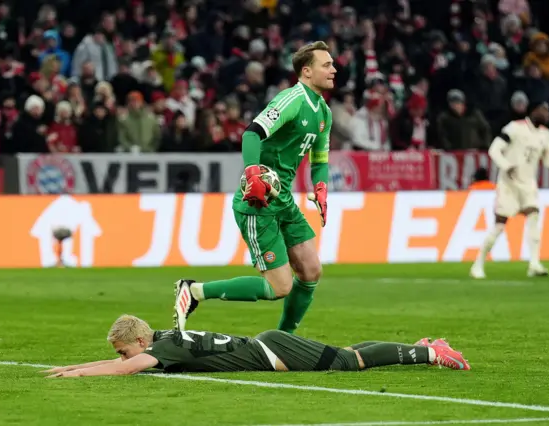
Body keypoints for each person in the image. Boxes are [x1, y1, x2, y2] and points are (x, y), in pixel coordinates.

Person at [174, 41, 335, 334]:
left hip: (283, 199)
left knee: (312, 270)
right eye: (327, 65)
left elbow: (319, 159)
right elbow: (252, 134)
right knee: (280, 286)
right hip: (258, 201)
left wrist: (321, 187)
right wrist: (252, 174)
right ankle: (194, 291)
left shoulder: (323, 112)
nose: (333, 69)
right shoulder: (291, 100)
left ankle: (283, 340)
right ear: (307, 71)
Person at [42, 314, 470, 378]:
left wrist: (77, 375)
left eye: (123, 349)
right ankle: (420, 346)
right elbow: (120, 362)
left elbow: (124, 369)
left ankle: (433, 353)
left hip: (272, 352)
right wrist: (72, 366)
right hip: (269, 345)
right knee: (344, 351)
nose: (124, 356)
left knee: (350, 362)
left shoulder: (164, 349)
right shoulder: (166, 340)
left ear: (139, 341)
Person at [470, 100, 549, 279]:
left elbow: (548, 161)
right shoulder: (514, 128)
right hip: (508, 184)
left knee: (533, 215)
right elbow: (494, 150)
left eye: (548, 111)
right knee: (500, 226)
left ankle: (534, 264)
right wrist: (506, 166)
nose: (547, 114)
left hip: (528, 184)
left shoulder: (546, 134)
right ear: (533, 110)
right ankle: (478, 263)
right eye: (543, 110)